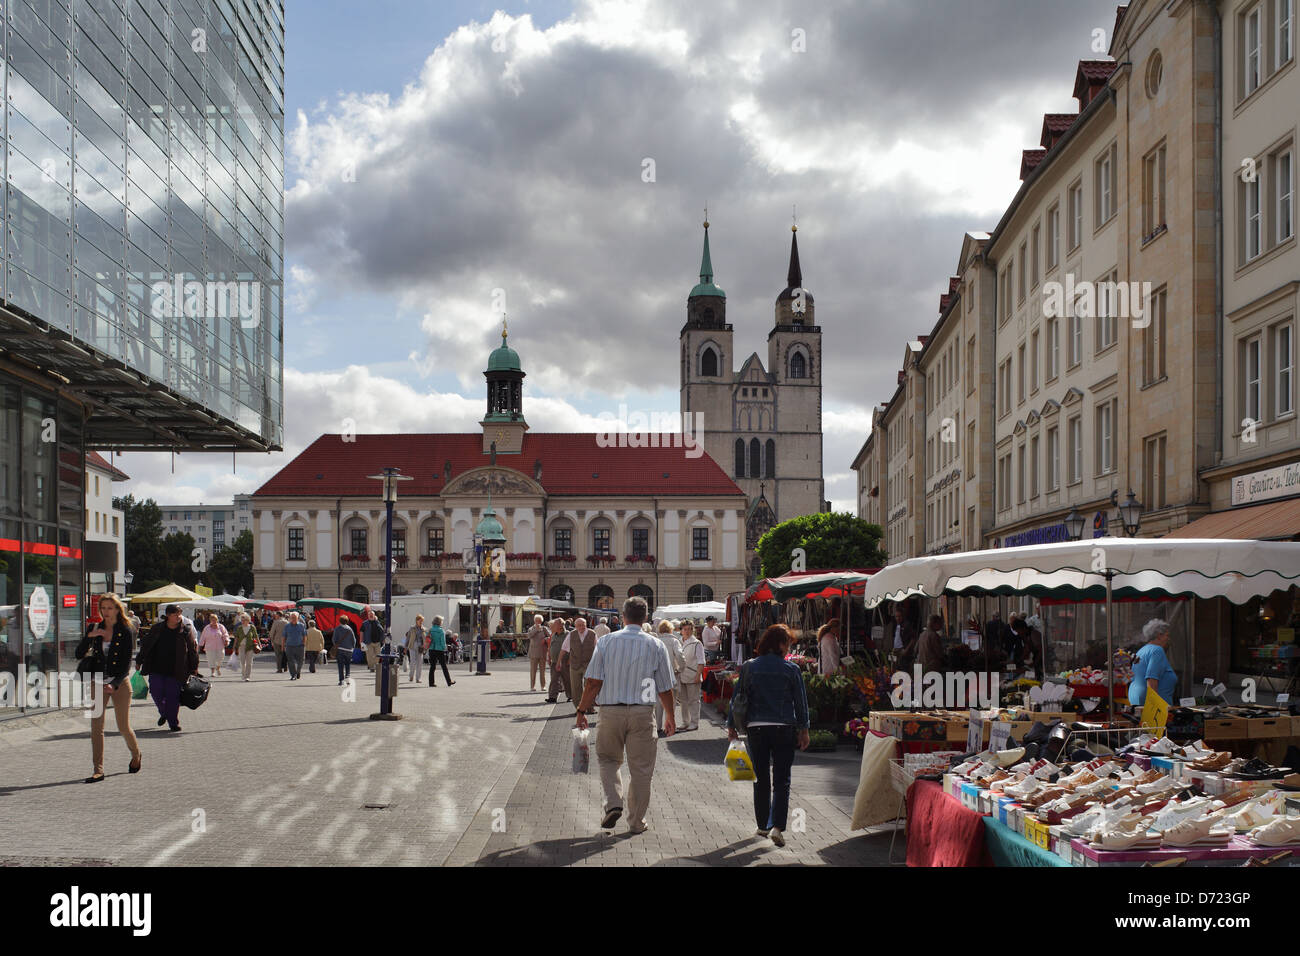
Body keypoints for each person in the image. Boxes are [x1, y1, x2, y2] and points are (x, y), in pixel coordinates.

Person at [575, 596, 676, 835]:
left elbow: (593, 682)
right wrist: (670, 716)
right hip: (643, 713)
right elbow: (664, 687)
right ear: (645, 618)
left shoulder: (606, 642)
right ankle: (636, 822)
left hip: (610, 711)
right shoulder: (656, 644)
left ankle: (613, 803)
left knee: (608, 759)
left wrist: (581, 710)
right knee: (641, 769)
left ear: (623, 616)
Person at [727, 624, 810, 847]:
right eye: (789, 643)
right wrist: (804, 729)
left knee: (761, 778)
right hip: (784, 728)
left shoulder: (749, 667)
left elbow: (738, 699)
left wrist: (731, 725)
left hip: (756, 728)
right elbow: (800, 702)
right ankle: (777, 827)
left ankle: (763, 825)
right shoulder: (791, 669)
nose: (789, 648)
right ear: (781, 644)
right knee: (782, 780)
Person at [77, 593, 142, 783]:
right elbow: (79, 653)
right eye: (103, 608)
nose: (106, 612)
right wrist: (90, 637)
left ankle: (136, 755)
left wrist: (113, 684)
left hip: (119, 683)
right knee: (96, 726)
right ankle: (98, 769)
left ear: (117, 609)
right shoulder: (94, 627)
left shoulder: (126, 629)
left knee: (123, 726)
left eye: (110, 608)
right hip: (97, 681)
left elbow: (126, 662)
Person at [136, 603, 200, 733]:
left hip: (177, 669)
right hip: (156, 667)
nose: (178, 616)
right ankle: (164, 712)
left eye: (179, 614)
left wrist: (194, 667)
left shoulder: (185, 630)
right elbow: (146, 645)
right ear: (168, 615)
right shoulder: (157, 628)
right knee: (155, 692)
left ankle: (173, 723)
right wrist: (139, 660)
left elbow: (193, 650)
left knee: (173, 697)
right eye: (175, 614)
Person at [1129, 619, 1177, 711]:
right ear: (1159, 635)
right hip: (1151, 706)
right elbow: (1151, 680)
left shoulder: (1142, 650)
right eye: (1167, 635)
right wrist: (1155, 707)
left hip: (1136, 699)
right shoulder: (1157, 650)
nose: (1168, 639)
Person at [558, 617, 597, 713]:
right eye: (579, 625)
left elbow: (598, 649)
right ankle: (579, 708)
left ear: (586, 624)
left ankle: (590, 707)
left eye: (583, 625)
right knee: (576, 688)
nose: (581, 627)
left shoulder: (592, 634)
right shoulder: (572, 634)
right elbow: (564, 649)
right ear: (575, 626)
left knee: (589, 686)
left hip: (589, 664)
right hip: (575, 664)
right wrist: (559, 661)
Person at [654, 621, 683, 736]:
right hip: (672, 674)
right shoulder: (674, 641)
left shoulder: (656, 641)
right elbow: (680, 655)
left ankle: (658, 725)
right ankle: (669, 724)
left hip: (656, 674)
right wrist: (680, 668)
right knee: (671, 700)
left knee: (658, 702)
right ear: (671, 629)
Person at [679, 620, 706, 731]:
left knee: (694, 700)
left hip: (693, 674)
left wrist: (697, 675)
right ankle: (686, 722)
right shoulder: (679, 642)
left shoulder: (696, 643)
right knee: (683, 701)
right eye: (685, 629)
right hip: (681, 675)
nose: (687, 631)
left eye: (690, 629)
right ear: (681, 630)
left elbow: (701, 661)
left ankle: (694, 722)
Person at [545, 618, 570, 703]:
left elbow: (572, 649)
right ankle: (552, 697)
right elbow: (550, 647)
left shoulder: (568, 635)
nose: (552, 626)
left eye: (554, 625)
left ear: (560, 625)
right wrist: (549, 657)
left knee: (567, 680)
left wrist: (570, 659)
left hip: (565, 662)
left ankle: (570, 695)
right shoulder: (553, 634)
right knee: (554, 679)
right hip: (554, 661)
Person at [427, 615, 454, 687]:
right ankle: (449, 681)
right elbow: (442, 642)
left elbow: (428, 639)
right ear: (439, 622)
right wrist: (444, 648)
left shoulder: (430, 630)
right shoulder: (441, 631)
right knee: (444, 666)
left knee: (432, 666)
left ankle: (431, 683)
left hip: (432, 649)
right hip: (439, 650)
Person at [233, 613, 259, 681]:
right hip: (241, 646)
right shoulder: (239, 628)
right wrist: (234, 646)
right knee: (242, 661)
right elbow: (236, 637)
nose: (242, 621)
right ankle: (243, 674)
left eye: (244, 620)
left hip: (250, 646)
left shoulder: (252, 627)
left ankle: (247, 676)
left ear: (248, 620)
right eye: (241, 620)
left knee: (249, 662)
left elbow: (256, 636)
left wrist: (259, 644)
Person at [526, 614, 549, 691]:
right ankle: (532, 686)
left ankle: (543, 686)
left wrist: (545, 639)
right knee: (533, 671)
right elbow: (529, 636)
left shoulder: (544, 629)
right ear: (534, 621)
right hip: (533, 653)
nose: (538, 623)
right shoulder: (531, 628)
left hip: (542, 653)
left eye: (540, 621)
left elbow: (550, 636)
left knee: (543, 671)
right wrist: (536, 629)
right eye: (537, 621)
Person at [892, 605, 919, 672]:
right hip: (895, 650)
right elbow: (895, 637)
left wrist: (906, 650)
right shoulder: (895, 625)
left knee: (903, 669)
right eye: (896, 616)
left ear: (903, 616)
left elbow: (913, 638)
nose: (898, 618)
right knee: (895, 669)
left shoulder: (907, 625)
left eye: (899, 616)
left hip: (903, 650)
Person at [333, 615, 357, 685]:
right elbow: (354, 640)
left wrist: (336, 645)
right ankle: (347, 677)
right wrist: (352, 647)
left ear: (340, 621)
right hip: (349, 650)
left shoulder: (337, 629)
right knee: (347, 664)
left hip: (340, 649)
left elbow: (334, 639)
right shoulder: (350, 629)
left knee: (340, 665)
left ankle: (341, 680)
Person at [283, 612, 307, 680]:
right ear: (290, 618)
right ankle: (293, 675)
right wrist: (283, 646)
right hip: (289, 646)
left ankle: (298, 671)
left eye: (295, 618)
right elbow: (284, 636)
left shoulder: (301, 625)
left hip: (300, 646)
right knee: (290, 661)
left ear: (298, 618)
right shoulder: (287, 626)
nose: (293, 619)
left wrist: (304, 644)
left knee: (301, 661)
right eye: (292, 618)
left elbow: (305, 635)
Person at [405, 615, 428, 684]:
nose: (421, 622)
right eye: (420, 620)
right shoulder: (412, 628)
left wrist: (425, 647)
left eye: (422, 621)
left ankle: (418, 678)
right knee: (412, 661)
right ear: (416, 620)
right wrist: (405, 647)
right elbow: (408, 638)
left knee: (420, 662)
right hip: (412, 645)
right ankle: (411, 675)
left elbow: (426, 639)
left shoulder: (424, 629)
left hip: (420, 646)